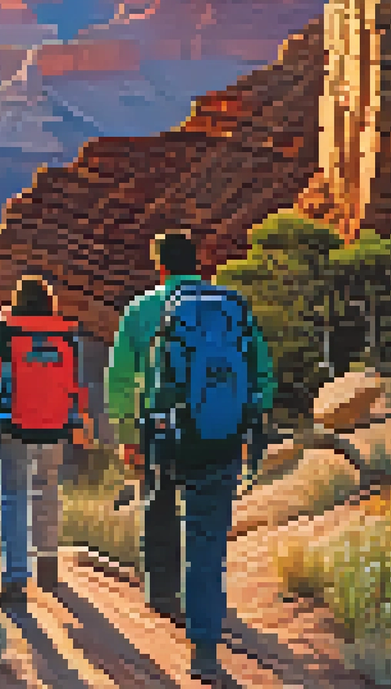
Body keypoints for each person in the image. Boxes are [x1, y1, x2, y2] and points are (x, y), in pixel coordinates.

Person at [105, 230, 275, 683]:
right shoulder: (232, 305)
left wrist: (128, 435)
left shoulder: (143, 310)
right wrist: (246, 422)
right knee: (207, 543)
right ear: (198, 264)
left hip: (164, 439)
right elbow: (262, 372)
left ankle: (162, 597)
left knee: (158, 505)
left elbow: (120, 382)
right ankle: (203, 647)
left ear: (158, 266)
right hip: (220, 438)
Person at [0, 275, 89, 607]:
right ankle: (48, 563)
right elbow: (75, 382)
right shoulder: (65, 335)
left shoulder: (3, 332)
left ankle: (15, 578)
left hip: (12, 424)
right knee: (46, 489)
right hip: (54, 425)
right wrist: (79, 420)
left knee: (13, 497)